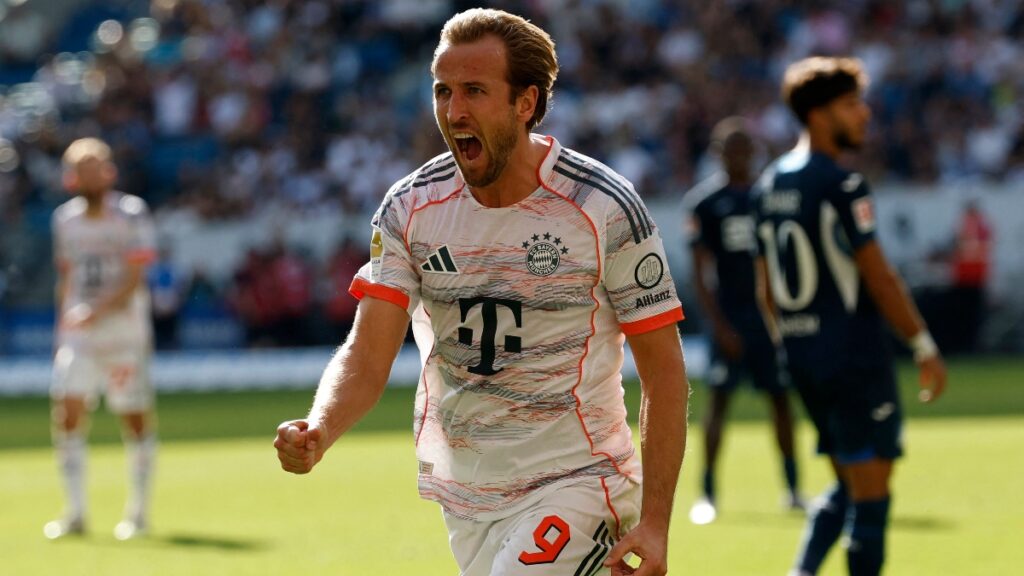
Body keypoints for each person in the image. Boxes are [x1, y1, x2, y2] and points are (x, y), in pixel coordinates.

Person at [274, 9, 689, 576]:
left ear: (526, 103)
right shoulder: (410, 208)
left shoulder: (602, 206)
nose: (454, 110)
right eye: (443, 90)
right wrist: (321, 426)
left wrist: (658, 522)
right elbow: (367, 353)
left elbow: (664, 372)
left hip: (579, 481)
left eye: (474, 90)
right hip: (467, 496)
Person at [751, 57, 947, 576]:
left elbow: (765, 286)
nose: (865, 115)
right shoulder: (841, 183)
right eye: (851, 105)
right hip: (856, 359)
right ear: (818, 114)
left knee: (848, 478)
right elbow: (880, 275)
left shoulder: (768, 184)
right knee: (873, 500)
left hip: (804, 358)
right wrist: (923, 344)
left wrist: (788, 346)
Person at [683, 117, 803, 525]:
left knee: (781, 400)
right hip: (731, 316)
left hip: (769, 318)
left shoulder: (769, 197)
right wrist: (718, 325)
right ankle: (708, 492)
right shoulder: (705, 203)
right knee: (718, 402)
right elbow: (701, 274)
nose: (738, 157)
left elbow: (788, 261)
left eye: (744, 149)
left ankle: (793, 488)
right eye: (730, 150)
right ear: (718, 154)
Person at [46, 137, 158, 541]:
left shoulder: (131, 214)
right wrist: (63, 326)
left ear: (110, 172)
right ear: (71, 177)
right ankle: (75, 512)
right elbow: (67, 276)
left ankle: (138, 512)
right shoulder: (65, 220)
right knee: (67, 412)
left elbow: (134, 276)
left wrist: (98, 309)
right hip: (79, 334)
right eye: (83, 168)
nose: (92, 175)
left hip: (124, 332)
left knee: (133, 417)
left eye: (98, 167)